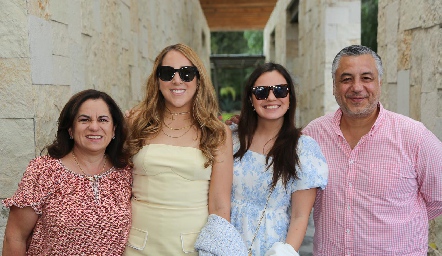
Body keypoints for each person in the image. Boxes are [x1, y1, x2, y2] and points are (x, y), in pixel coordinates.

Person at [302, 45, 442, 255]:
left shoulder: (414, 137)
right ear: (334, 86)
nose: (357, 87)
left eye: (366, 78)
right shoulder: (313, 135)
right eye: (346, 79)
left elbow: (437, 198)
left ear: (379, 83)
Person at [124, 43, 235, 255]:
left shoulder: (217, 132)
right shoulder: (136, 122)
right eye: (167, 73)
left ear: (198, 79)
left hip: (192, 246)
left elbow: (220, 205)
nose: (177, 80)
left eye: (186, 73)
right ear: (157, 80)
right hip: (137, 244)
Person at [2, 89, 132, 255]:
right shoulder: (44, 171)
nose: (94, 127)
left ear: (114, 130)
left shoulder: (126, 173)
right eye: (84, 120)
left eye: (103, 120)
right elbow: (15, 237)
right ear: (70, 129)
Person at [230, 63, 328, 256]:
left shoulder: (303, 148)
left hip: (272, 246)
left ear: (290, 97)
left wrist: (285, 252)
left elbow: (300, 217)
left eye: (280, 90)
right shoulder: (231, 139)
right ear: (251, 98)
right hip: (226, 241)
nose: (271, 97)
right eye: (261, 92)